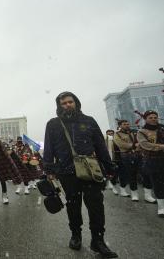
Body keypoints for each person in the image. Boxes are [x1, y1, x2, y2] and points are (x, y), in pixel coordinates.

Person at [43, 92, 118, 258]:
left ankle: (98, 241)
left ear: (76, 103)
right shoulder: (53, 124)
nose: (68, 105)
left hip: (90, 170)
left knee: (96, 207)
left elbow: (100, 145)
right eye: (64, 103)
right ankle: (75, 235)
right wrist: (48, 170)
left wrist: (109, 167)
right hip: (66, 172)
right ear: (59, 105)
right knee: (73, 205)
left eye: (70, 102)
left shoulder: (89, 121)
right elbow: (48, 148)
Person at [114, 120, 155, 202]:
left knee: (145, 173)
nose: (127, 125)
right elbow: (120, 144)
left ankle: (148, 195)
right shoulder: (117, 134)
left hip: (139, 155)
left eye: (128, 123)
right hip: (127, 156)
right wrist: (133, 145)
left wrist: (140, 145)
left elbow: (142, 140)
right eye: (124, 124)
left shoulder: (135, 132)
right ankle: (134, 194)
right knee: (132, 174)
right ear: (120, 125)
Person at [137, 110, 164, 217]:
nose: (153, 119)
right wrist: (161, 147)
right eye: (150, 117)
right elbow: (145, 145)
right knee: (158, 184)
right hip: (153, 160)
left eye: (155, 117)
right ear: (146, 119)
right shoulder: (142, 132)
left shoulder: (162, 128)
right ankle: (161, 207)